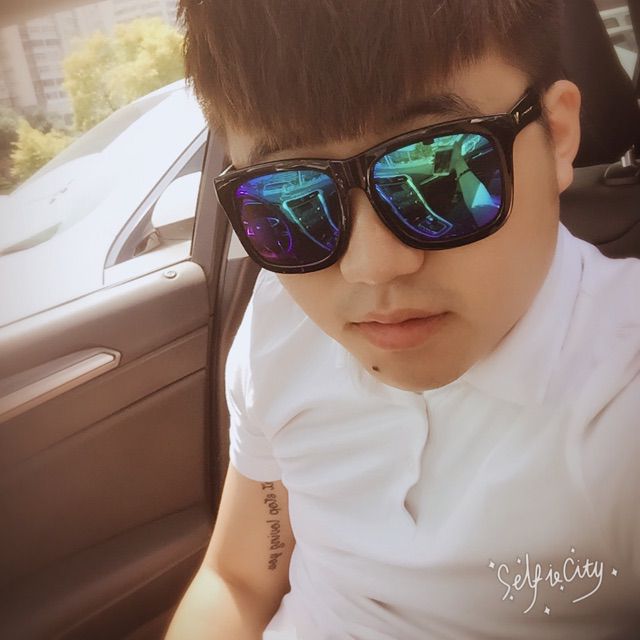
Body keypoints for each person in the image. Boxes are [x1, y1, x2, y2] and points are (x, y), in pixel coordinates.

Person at [164, 1, 640, 638]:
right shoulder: (280, 321)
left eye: (441, 175)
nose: (371, 267)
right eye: (293, 201)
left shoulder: (622, 400)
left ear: (556, 136)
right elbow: (239, 578)